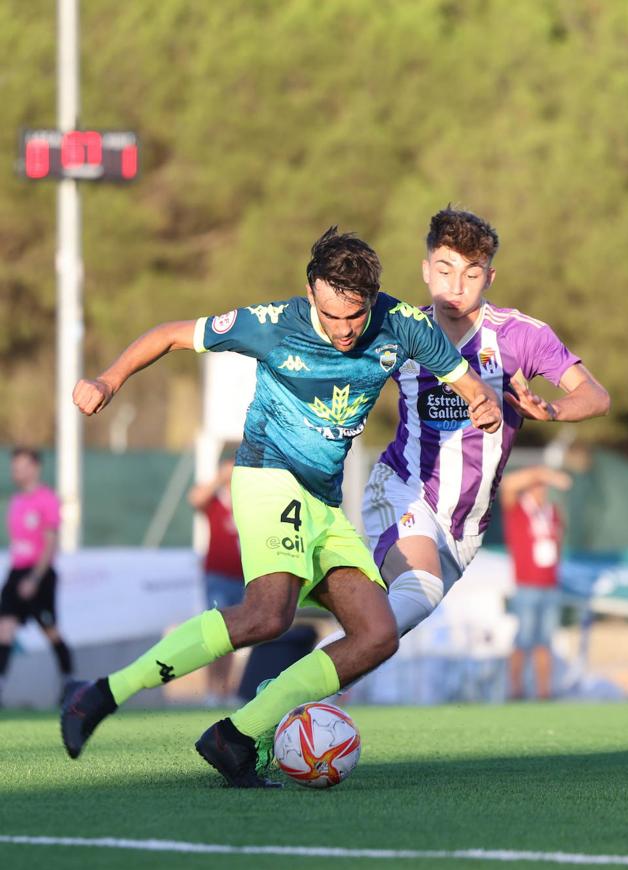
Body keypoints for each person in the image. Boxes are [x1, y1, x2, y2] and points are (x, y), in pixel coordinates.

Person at [61, 225, 502, 787]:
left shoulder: (403, 326)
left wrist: (483, 404)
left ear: (373, 299)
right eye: (332, 316)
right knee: (270, 614)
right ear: (311, 291)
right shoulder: (270, 325)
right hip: (268, 476)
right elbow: (173, 334)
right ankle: (102, 694)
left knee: (377, 635)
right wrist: (108, 379)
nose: (345, 331)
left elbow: (466, 381)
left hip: (323, 500)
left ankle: (236, 736)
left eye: (355, 316)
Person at [311, 206, 609, 709]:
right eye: (444, 270)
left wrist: (552, 410)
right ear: (427, 269)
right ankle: (285, 698)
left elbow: (596, 396)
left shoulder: (520, 336)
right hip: (403, 489)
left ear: (488, 276)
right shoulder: (399, 330)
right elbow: (335, 373)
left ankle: (300, 687)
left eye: (471, 274)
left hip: (466, 525)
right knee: (413, 593)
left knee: (388, 629)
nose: (456, 286)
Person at [0, 447, 74, 706]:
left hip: (39, 573)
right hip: (16, 572)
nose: (16, 471)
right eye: (14, 466)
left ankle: (70, 684)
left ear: (35, 467)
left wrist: (34, 578)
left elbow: (50, 542)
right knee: (4, 628)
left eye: (21, 465)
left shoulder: (47, 499)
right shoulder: (16, 501)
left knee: (50, 630)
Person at [501, 465, 572, 700]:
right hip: (526, 586)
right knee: (523, 639)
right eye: (535, 486)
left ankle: (544, 692)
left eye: (543, 486)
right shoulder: (518, 511)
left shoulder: (552, 511)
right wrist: (543, 473)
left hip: (550, 584)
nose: (540, 490)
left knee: (546, 641)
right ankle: (515, 689)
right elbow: (509, 485)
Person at [187, 449, 243, 706]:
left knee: (232, 638)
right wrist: (220, 479)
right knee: (214, 635)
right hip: (217, 576)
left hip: (242, 577)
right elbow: (195, 499)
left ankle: (224, 690)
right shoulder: (215, 500)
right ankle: (210, 689)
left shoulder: (246, 499)